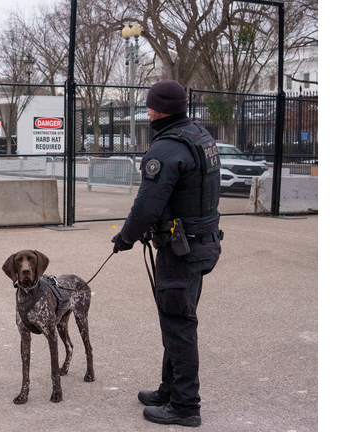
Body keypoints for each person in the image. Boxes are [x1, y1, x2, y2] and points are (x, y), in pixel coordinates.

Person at [111, 79, 222, 427]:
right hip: (203, 243)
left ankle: (186, 407)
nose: (147, 113)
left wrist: (125, 237)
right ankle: (169, 390)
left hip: (180, 250)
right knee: (176, 320)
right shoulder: (200, 138)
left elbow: (147, 205)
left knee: (178, 326)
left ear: (158, 110)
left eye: (148, 107)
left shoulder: (166, 149)